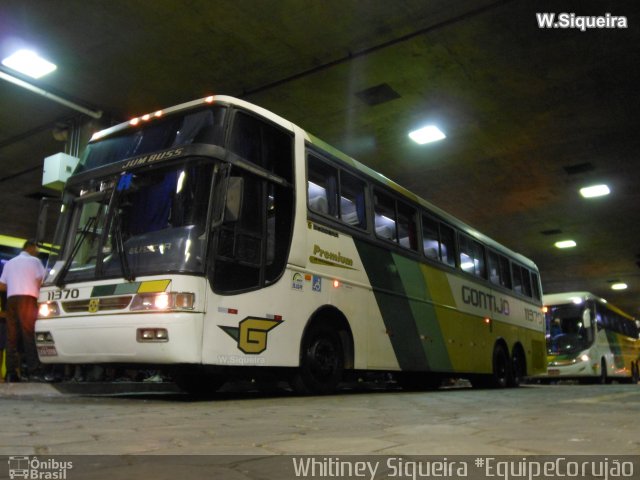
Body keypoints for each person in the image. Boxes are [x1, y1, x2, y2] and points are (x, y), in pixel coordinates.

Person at [0, 239, 46, 382]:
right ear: (31, 247)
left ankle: (11, 373)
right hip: (28, 299)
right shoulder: (35, 262)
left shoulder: (10, 262)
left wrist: (15, 286)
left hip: (12, 300)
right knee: (28, 334)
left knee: (11, 337)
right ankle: (34, 371)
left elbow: (1, 286)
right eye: (36, 249)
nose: (37, 252)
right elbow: (42, 281)